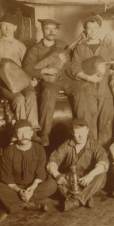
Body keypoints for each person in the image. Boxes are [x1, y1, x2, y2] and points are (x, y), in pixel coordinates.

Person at [22, 18, 79, 146]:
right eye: (48, 28)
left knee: (80, 91)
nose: (51, 32)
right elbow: (26, 69)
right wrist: (44, 70)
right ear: (42, 30)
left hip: (64, 78)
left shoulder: (62, 45)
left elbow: (70, 65)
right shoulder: (34, 49)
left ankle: (80, 131)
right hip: (49, 80)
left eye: (53, 29)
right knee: (48, 93)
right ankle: (44, 134)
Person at [0, 13, 39, 129]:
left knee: (31, 94)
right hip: (3, 82)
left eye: (10, 26)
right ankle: (22, 129)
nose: (7, 29)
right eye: (4, 26)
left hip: (21, 80)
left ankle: (33, 129)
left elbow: (27, 67)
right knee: (18, 99)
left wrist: (33, 80)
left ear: (15, 28)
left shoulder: (21, 46)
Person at [71, 15, 114, 148]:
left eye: (95, 28)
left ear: (99, 29)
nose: (92, 31)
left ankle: (104, 156)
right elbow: (74, 67)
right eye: (89, 28)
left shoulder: (107, 47)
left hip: (104, 88)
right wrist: (88, 78)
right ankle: (90, 153)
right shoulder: (80, 48)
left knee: (106, 123)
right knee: (89, 123)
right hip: (86, 88)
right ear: (85, 30)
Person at [0, 120, 57, 213]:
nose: (24, 135)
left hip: (34, 187)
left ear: (31, 133)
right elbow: (7, 176)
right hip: (15, 187)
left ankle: (19, 203)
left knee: (52, 184)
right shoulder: (8, 151)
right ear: (15, 134)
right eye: (20, 132)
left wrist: (32, 188)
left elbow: (41, 172)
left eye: (26, 131)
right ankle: (31, 204)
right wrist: (19, 191)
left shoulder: (39, 149)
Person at [47, 119, 109, 212]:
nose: (81, 136)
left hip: (87, 179)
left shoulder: (94, 144)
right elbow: (52, 160)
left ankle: (76, 201)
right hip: (70, 180)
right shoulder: (66, 145)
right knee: (53, 179)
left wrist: (90, 175)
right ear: (72, 133)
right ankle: (86, 197)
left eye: (83, 132)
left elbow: (104, 162)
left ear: (87, 130)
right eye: (77, 133)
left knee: (102, 175)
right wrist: (57, 175)